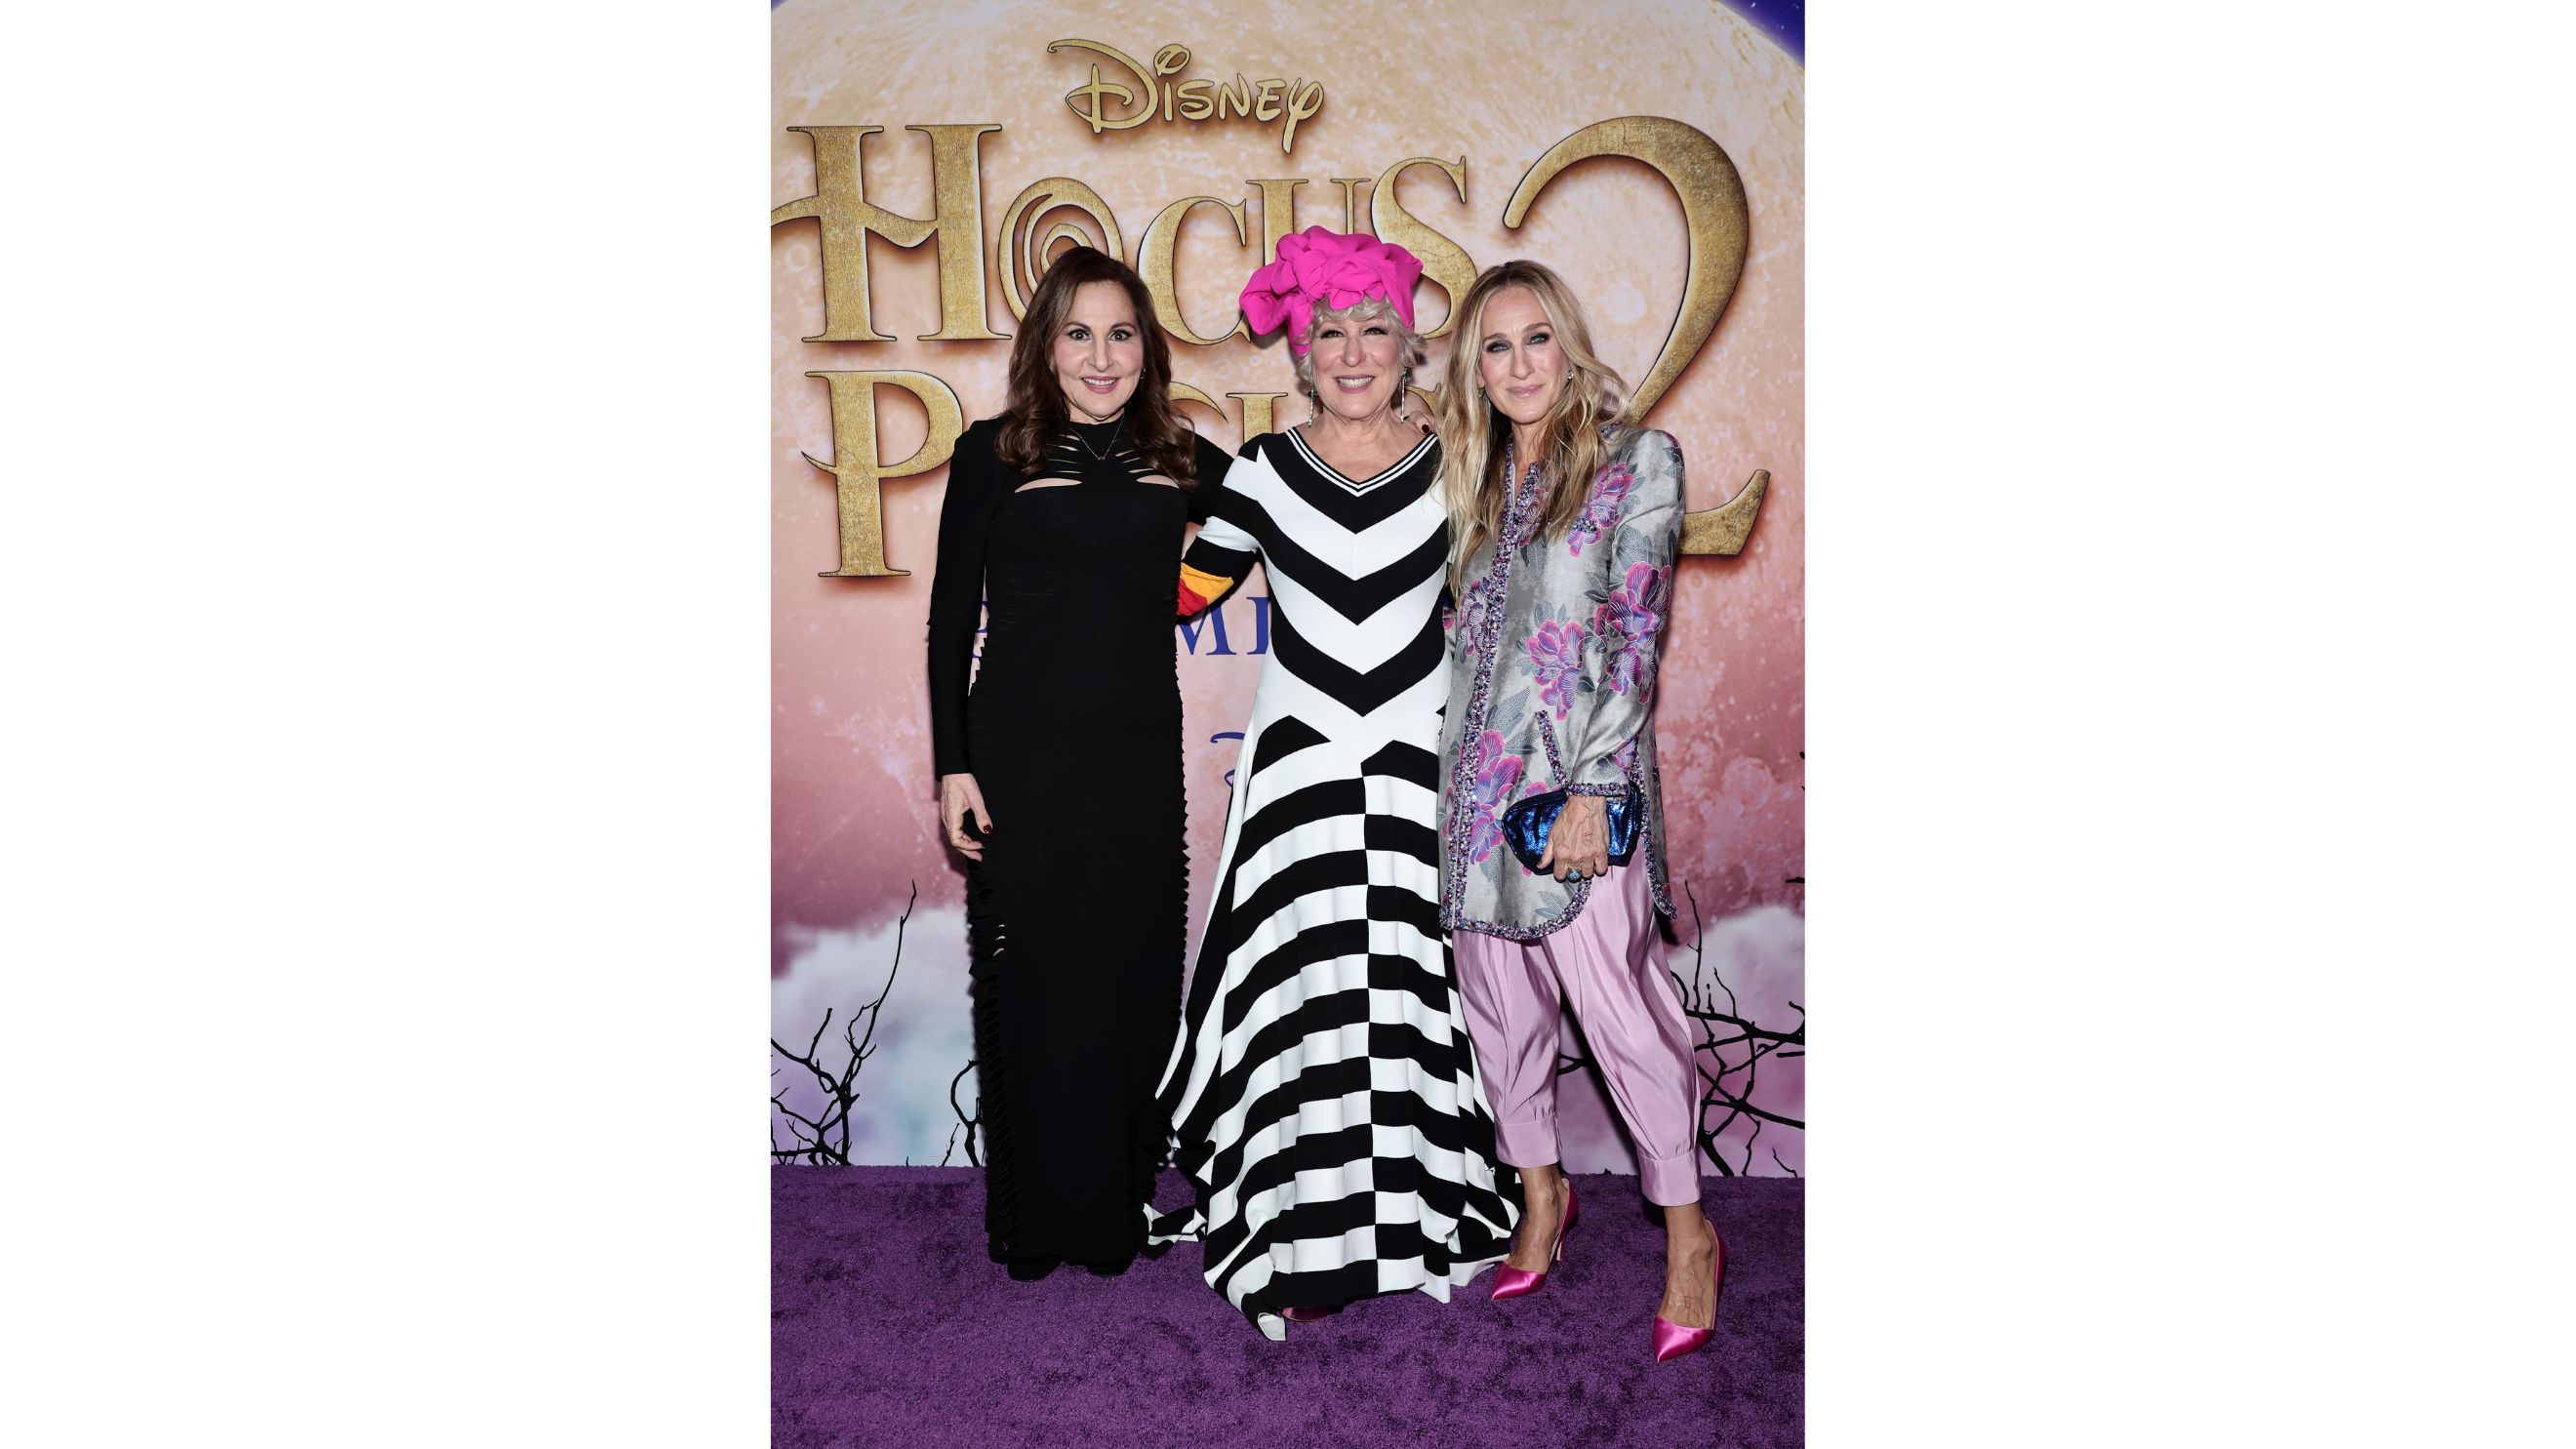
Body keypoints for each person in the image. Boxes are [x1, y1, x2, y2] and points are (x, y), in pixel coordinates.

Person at [1153, 227, 1518, 1339]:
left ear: (1408, 348)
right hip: (1300, 762)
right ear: (1299, 356)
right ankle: (1303, 1229)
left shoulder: (1463, 459)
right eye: (1328, 335)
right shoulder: (1260, 470)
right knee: (1308, 988)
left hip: (1420, 761)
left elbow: (1511, 606)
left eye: (1373, 331)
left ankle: (1415, 1218)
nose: (1352, 352)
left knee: (1408, 981)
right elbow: (1183, 595)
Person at [1431, 259, 1724, 1362]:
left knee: (1623, 1016)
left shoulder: (1638, 462)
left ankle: (1688, 1236)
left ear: (1570, 344)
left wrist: (1601, 790)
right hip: (1471, 800)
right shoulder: (1468, 478)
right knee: (1500, 1013)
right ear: (1476, 369)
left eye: (1536, 339)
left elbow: (1635, 632)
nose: (1518, 365)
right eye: (1495, 348)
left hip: (1573, 795)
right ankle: (1542, 1197)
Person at [926, 246, 1234, 1280]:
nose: (1101, 356)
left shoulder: (1184, 462)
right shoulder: (990, 454)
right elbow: (945, 624)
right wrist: (953, 767)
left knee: (1131, 982)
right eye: (1078, 333)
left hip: (1138, 761)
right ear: (1044, 346)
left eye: (1121, 333)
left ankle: (1111, 1210)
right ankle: (1036, 1220)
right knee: (1035, 988)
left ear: (1147, 349)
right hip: (1019, 758)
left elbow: (1300, 513)